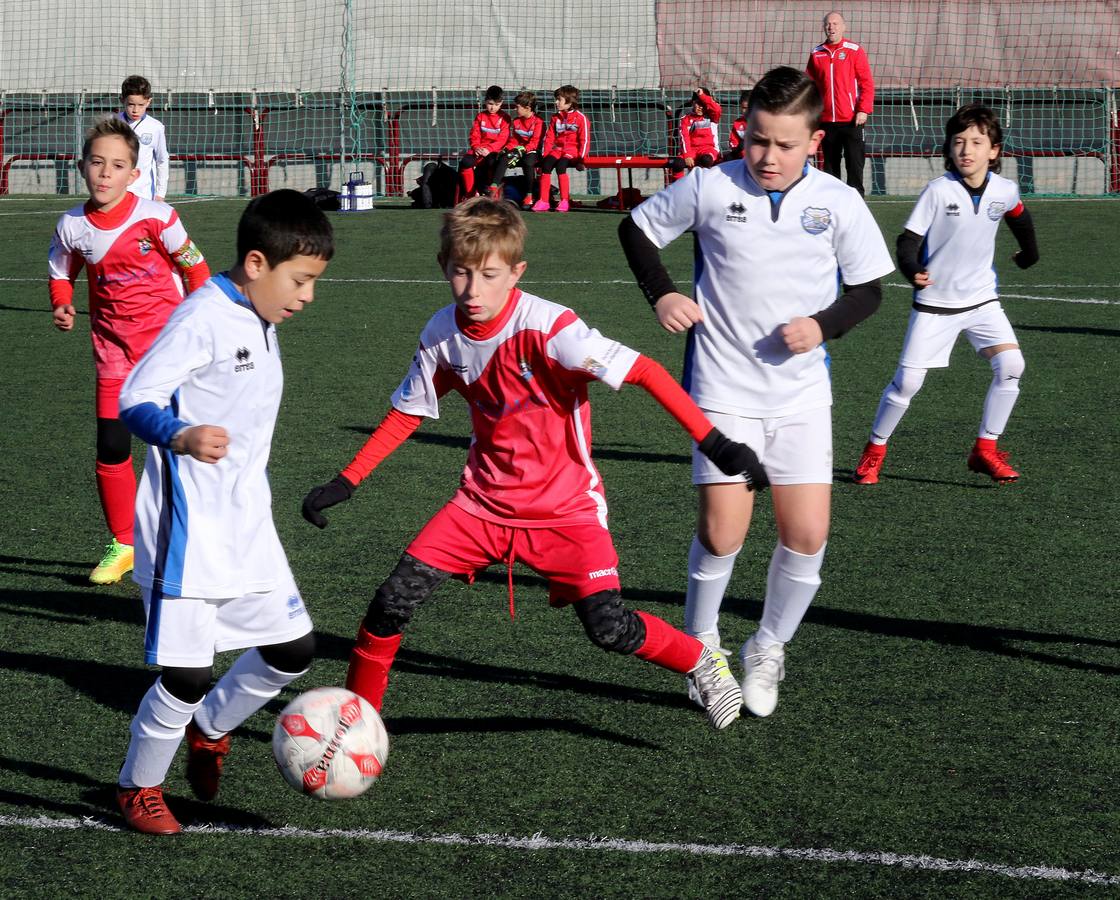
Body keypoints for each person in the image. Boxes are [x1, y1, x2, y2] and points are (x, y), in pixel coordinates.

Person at [301, 197, 768, 732]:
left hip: (565, 510)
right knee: (390, 602)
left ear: (516, 272)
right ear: (443, 266)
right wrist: (347, 479)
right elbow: (408, 413)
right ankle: (358, 723)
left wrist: (715, 443)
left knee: (608, 628)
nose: (473, 290)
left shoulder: (552, 329)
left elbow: (645, 371)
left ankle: (700, 659)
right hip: (479, 507)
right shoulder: (441, 335)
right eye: (461, 272)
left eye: (489, 275)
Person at [618, 66, 893, 718]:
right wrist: (663, 295)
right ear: (743, 130)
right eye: (757, 140)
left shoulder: (839, 202)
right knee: (722, 533)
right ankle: (702, 649)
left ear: (815, 141)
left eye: (785, 144)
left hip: (801, 395)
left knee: (808, 535)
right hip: (721, 390)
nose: (768, 156)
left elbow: (869, 291)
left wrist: (821, 326)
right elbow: (636, 229)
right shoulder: (710, 186)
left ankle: (768, 646)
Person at [112, 189, 334, 835]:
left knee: (292, 649)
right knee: (186, 675)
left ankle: (211, 727)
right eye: (300, 280)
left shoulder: (258, 312)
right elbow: (135, 398)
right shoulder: (202, 318)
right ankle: (137, 787)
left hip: (246, 520)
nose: (308, 296)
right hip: (187, 528)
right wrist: (180, 435)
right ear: (257, 263)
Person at [49, 116, 210, 585]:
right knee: (112, 447)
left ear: (133, 174)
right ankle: (124, 544)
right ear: (81, 166)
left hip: (169, 354)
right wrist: (61, 302)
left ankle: (198, 541)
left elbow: (195, 268)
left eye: (117, 165)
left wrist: (203, 323)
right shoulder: (72, 225)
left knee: (183, 448)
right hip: (113, 354)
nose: (105, 173)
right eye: (96, 162)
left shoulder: (158, 217)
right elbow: (61, 269)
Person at [853, 104, 1040, 487]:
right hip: (935, 306)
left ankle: (985, 448)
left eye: (976, 142)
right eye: (958, 142)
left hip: (982, 301)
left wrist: (1029, 254)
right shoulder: (938, 191)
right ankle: (874, 451)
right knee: (907, 384)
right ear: (949, 148)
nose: (966, 149)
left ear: (994, 150)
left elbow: (1019, 216)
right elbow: (908, 240)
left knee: (1012, 365)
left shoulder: (1004, 190)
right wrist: (912, 269)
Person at [806, 11, 874, 196]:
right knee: (830, 168)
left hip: (852, 120)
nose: (831, 27)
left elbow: (866, 83)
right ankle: (833, 202)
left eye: (835, 23)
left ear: (844, 27)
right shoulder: (816, 53)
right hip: (826, 121)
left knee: (854, 166)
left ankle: (856, 202)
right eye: (828, 24)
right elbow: (810, 87)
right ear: (824, 27)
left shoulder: (854, 50)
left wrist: (863, 110)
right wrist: (812, 114)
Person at [532, 85, 590, 212]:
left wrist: (581, 160)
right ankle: (544, 201)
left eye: (559, 100)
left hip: (572, 151)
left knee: (561, 166)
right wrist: (545, 156)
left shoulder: (581, 118)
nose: (556, 102)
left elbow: (584, 140)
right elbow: (549, 138)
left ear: (569, 102)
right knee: (546, 165)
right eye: (556, 99)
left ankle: (564, 201)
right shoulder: (555, 117)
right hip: (558, 149)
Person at [119, 75, 170, 202]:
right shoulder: (112, 123)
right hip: (117, 192)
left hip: (144, 194)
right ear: (122, 100)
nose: (135, 110)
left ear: (148, 102)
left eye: (141, 105)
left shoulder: (156, 127)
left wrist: (160, 193)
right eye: (131, 104)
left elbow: (162, 160)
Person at [490, 91, 544, 207]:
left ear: (527, 108)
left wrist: (521, 150)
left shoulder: (539, 122)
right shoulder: (516, 121)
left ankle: (529, 195)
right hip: (519, 150)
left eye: (517, 106)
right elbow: (514, 140)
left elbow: (535, 143)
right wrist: (506, 149)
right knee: (503, 157)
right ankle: (493, 188)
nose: (515, 109)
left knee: (528, 162)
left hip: (533, 151)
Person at [460, 85, 511, 201]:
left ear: (501, 103)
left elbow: (502, 139)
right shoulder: (480, 116)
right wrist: (476, 147)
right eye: (490, 104)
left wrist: (489, 149)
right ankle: (470, 195)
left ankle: (492, 195)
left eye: (496, 105)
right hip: (479, 150)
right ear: (485, 101)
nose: (493, 108)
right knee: (466, 162)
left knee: (491, 162)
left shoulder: (505, 118)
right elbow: (474, 135)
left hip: (493, 151)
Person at [670, 88, 722, 180]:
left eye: (703, 104)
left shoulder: (712, 116)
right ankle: (678, 186)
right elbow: (684, 138)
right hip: (692, 151)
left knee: (706, 160)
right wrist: (687, 155)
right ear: (692, 103)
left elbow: (717, 109)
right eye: (698, 103)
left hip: (709, 150)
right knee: (677, 163)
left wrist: (702, 96)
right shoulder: (685, 119)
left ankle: (705, 184)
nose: (700, 107)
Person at [725, 89, 751, 160]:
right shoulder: (737, 123)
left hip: (756, 155)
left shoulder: (760, 122)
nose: (745, 111)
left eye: (748, 108)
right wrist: (738, 149)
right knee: (727, 158)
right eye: (743, 108)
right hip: (741, 156)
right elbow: (733, 141)